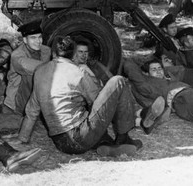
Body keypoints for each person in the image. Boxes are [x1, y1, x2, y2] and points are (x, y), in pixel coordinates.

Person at [14, 36, 159, 157]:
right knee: (118, 81)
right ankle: (124, 138)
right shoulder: (78, 72)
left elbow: (31, 110)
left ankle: (105, 145)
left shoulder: (40, 72)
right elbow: (99, 103)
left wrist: (23, 138)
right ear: (73, 55)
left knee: (85, 115)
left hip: (60, 143)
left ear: (53, 54)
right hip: (79, 138)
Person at [3, 19, 51, 114]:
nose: (38, 41)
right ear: (25, 40)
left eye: (40, 37)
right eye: (33, 38)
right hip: (17, 102)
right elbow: (32, 67)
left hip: (37, 97)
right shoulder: (17, 55)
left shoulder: (46, 50)